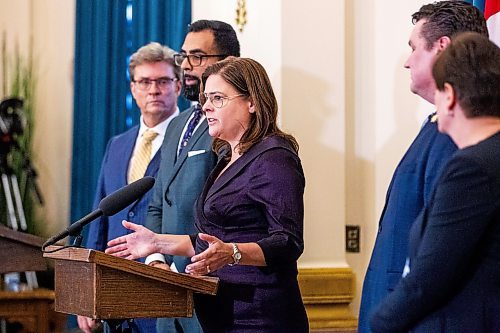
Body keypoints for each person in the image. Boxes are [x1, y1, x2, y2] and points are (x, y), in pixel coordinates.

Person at [106, 57, 309, 333]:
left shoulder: (274, 158)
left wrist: (233, 253)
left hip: (259, 317)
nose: (206, 106)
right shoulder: (226, 156)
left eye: (217, 98)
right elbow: (210, 242)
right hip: (219, 313)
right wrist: (156, 243)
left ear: (252, 102)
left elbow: (287, 242)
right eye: (205, 98)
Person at [358, 2, 488, 331]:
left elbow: (440, 254)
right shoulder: (436, 126)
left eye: (413, 47)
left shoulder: (458, 137)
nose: (406, 61)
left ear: (441, 47)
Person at [77, 42, 181, 333]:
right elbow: (100, 219)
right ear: (133, 88)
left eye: (163, 81)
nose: (154, 89)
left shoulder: (191, 142)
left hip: (163, 292)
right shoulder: (117, 144)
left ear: (179, 86)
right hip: (114, 300)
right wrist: (89, 290)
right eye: (145, 82)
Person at [143, 20, 240, 333]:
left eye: (197, 57)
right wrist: (157, 260)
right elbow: (159, 202)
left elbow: (226, 216)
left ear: (227, 63)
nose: (185, 65)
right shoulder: (176, 124)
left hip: (210, 292)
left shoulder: (231, 128)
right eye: (183, 56)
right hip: (167, 300)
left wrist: (180, 265)